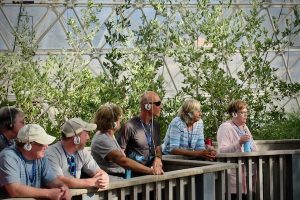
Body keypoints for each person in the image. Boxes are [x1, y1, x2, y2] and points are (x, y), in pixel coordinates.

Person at [0, 124, 71, 199]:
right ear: (28, 145)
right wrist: (49, 193)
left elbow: (52, 181)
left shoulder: (40, 156)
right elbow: (15, 190)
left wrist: (64, 187)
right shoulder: (8, 157)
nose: (46, 146)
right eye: (42, 143)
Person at [91, 103, 158, 181]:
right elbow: (123, 161)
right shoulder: (102, 139)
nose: (121, 121)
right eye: (119, 119)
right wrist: (150, 171)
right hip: (111, 183)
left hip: (117, 180)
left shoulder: (109, 135)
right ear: (113, 123)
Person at [45, 118, 109, 189]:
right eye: (86, 133)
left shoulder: (82, 152)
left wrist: (104, 177)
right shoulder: (51, 153)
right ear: (76, 138)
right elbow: (58, 180)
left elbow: (98, 171)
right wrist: (93, 182)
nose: (88, 137)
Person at [217, 100, 258, 200]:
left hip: (249, 174)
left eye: (246, 112)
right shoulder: (225, 127)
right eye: (242, 113)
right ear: (234, 114)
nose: (245, 115)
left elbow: (252, 146)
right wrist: (239, 142)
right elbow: (222, 151)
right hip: (235, 177)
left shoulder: (245, 127)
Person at [117, 91, 164, 177]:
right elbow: (119, 155)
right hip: (133, 177)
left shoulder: (156, 125)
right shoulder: (129, 126)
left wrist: (158, 158)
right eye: (158, 104)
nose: (161, 107)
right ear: (147, 106)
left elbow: (158, 148)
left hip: (151, 174)